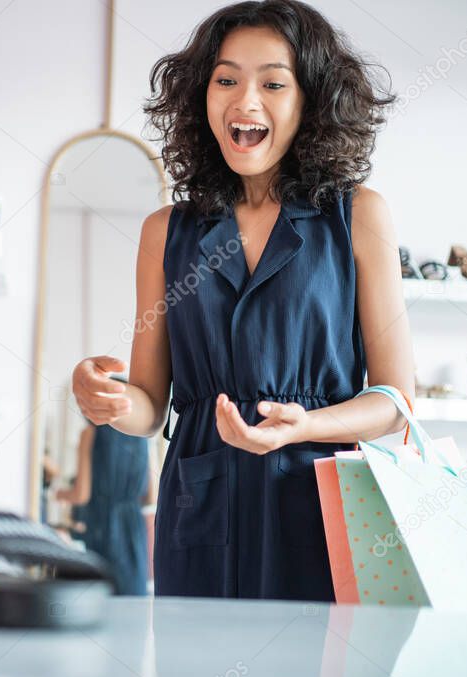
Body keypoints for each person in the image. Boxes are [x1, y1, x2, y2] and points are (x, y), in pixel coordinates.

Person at [70, 0, 414, 601]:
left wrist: (309, 424)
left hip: (320, 508)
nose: (244, 101)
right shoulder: (166, 231)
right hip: (200, 512)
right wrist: (105, 399)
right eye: (225, 79)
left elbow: (395, 401)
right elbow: (151, 404)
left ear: (311, 101)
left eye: (273, 83)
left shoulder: (359, 217)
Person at [55, 422, 153, 595]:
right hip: (133, 527)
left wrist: (58, 494)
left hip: (103, 526)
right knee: (132, 597)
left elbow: (81, 495)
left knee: (102, 598)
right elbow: (151, 496)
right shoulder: (142, 435)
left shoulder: (90, 433)